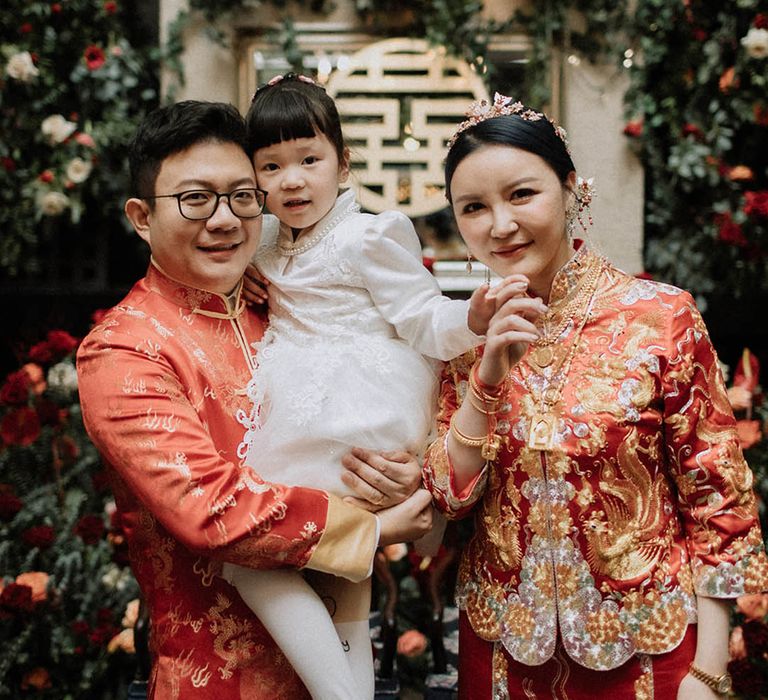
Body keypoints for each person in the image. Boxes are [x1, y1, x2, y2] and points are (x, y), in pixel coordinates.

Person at [76, 100, 435, 700]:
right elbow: (209, 508)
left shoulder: (286, 306)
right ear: (142, 216)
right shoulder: (127, 350)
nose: (224, 220)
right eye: (196, 199)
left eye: (243, 196)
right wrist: (369, 529)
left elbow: (390, 376)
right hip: (217, 682)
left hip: (344, 659)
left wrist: (405, 466)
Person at [422, 93, 768, 699]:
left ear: (572, 188)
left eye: (522, 194)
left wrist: (710, 671)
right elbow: (450, 495)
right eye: (473, 207)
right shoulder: (462, 337)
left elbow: (720, 504)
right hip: (502, 650)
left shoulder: (660, 318)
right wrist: (486, 379)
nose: (499, 225)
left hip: (648, 648)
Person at [224, 73, 528, 700]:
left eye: (309, 159)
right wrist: (240, 281)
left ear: (342, 162)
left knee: (250, 558)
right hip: (300, 401)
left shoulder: (370, 235)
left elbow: (420, 315)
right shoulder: (264, 242)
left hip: (349, 411)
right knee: (345, 582)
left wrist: (468, 318)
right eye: (272, 165)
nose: (292, 179)